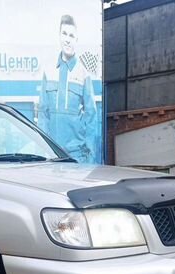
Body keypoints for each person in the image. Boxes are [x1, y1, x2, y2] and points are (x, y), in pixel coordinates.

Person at [38, 14, 98, 164]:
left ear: (76, 39)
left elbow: (91, 115)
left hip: (77, 156)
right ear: (59, 36)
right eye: (64, 34)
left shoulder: (83, 74)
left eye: (71, 35)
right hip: (51, 155)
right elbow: (43, 113)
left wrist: (90, 157)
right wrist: (42, 148)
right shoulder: (48, 71)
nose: (67, 39)